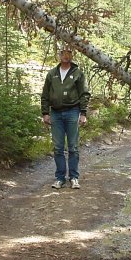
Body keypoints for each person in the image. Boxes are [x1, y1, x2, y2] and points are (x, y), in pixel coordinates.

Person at [41, 45, 91, 189]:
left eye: (68, 53)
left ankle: (74, 177)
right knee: (58, 147)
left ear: (72, 55)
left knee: (73, 147)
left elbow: (84, 94)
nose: (66, 55)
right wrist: (45, 113)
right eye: (63, 53)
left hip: (72, 112)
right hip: (55, 113)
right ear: (59, 55)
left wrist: (83, 113)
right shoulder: (52, 74)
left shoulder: (77, 74)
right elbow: (45, 95)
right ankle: (60, 178)